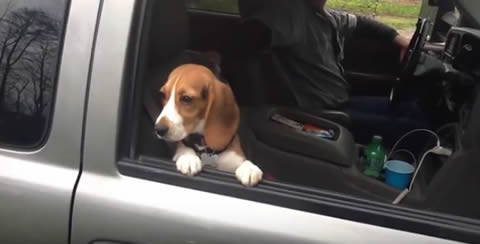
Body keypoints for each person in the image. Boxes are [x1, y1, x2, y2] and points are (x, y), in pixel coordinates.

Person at [214, 0, 427, 146]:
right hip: (319, 115)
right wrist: (215, 57)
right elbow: (246, 35)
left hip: (341, 102)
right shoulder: (290, 14)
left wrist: (399, 40)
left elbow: (361, 24)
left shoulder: (322, 15)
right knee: (419, 131)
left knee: (413, 109)